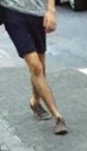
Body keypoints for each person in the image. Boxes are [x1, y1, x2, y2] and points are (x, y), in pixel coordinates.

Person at [0, 0, 68, 135]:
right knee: (35, 65)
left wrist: (50, 10)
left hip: (37, 13)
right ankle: (58, 117)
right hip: (12, 12)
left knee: (40, 66)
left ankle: (35, 101)